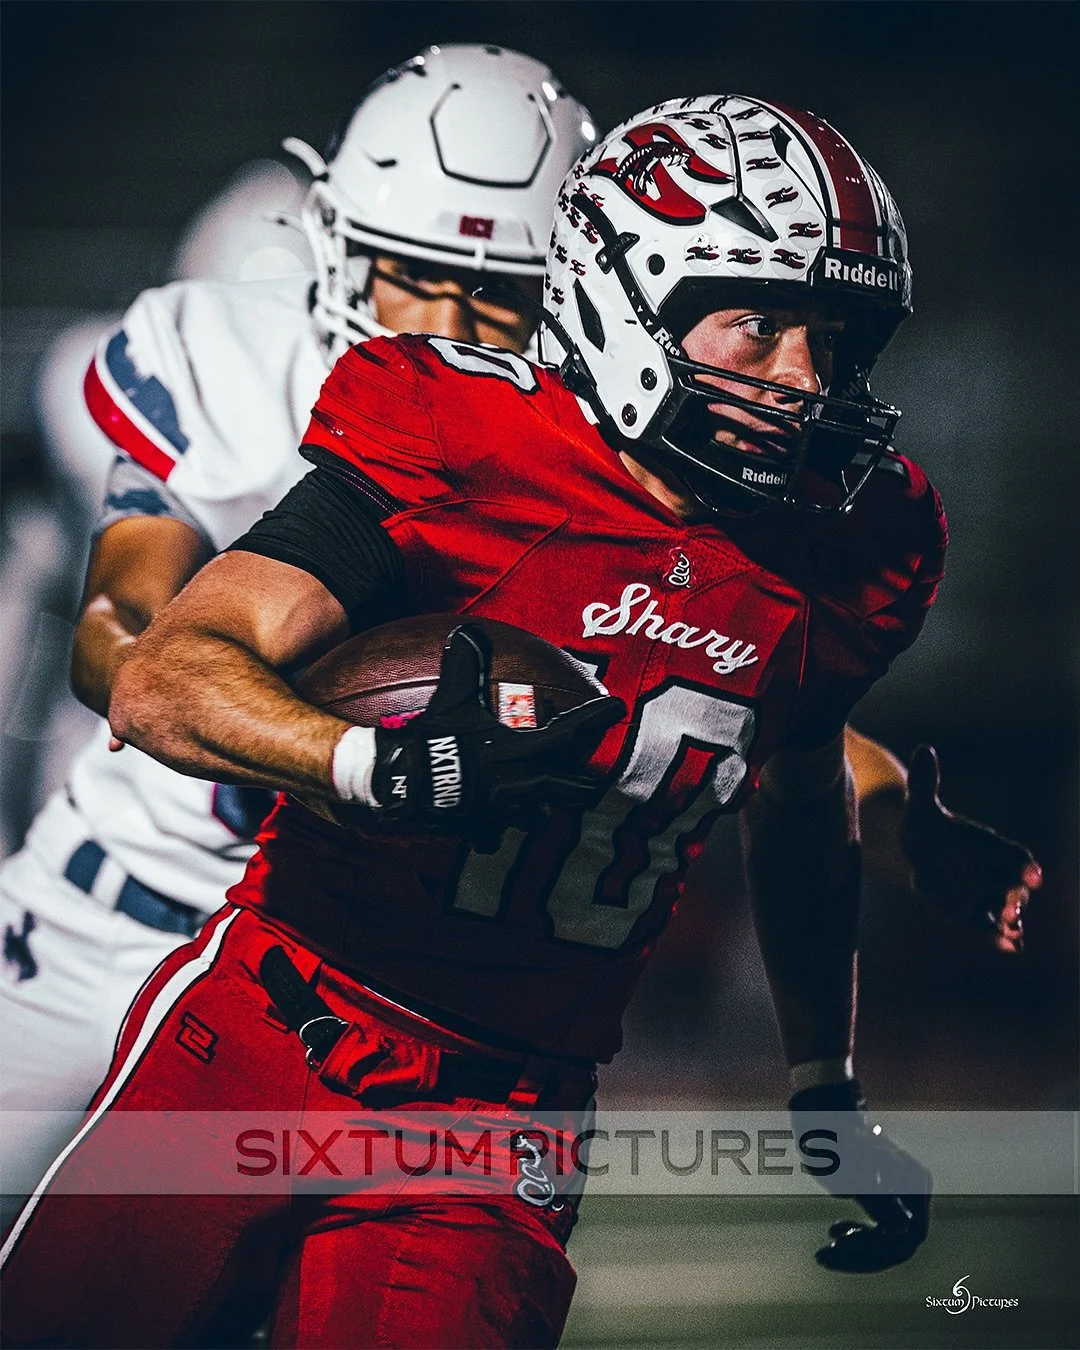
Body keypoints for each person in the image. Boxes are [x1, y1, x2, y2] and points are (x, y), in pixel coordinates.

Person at [1, 91, 1046, 1348]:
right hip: (269, 1022)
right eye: (759, 324)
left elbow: (787, 775)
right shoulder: (458, 442)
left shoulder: (854, 545)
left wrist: (824, 1088)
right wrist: (378, 766)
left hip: (502, 1126)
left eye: (836, 336)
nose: (806, 379)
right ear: (625, 305)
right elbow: (165, 672)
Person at [0, 42, 597, 1228]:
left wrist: (878, 803)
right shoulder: (235, 364)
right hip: (122, 919)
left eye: (497, 291)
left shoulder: (591, 462)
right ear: (335, 248)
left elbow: (737, 702)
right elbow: (118, 625)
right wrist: (282, 730)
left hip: (364, 987)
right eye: (410, 277)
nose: (441, 326)